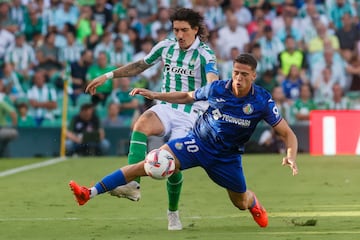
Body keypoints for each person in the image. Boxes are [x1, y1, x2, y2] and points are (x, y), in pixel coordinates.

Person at [69, 53, 298, 229]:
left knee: (240, 202)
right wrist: (155, 95)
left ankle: (253, 202)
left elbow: (288, 133)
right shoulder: (218, 88)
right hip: (197, 143)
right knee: (150, 164)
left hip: (227, 158)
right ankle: (89, 193)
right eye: (236, 72)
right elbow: (187, 96)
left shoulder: (262, 100)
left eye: (244, 74)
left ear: (254, 76)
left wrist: (290, 155)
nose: (238, 78)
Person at [85, 8, 219, 231]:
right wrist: (107, 76)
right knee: (141, 124)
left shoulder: (205, 54)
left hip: (191, 113)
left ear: (195, 30)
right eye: (176, 29)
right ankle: (131, 184)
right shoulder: (166, 46)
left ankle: (173, 213)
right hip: (166, 107)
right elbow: (140, 66)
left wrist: (213, 87)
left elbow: (213, 79)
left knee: (173, 165)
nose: (179, 35)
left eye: (184, 30)